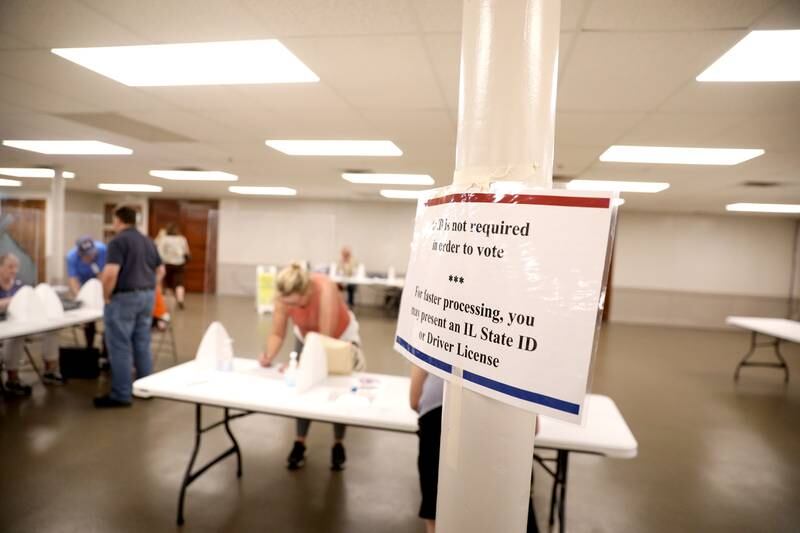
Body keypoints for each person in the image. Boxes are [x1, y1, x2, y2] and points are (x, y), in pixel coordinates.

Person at [259, 262, 365, 471]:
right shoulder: (284, 295)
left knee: (340, 387)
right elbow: (277, 333)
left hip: (338, 336)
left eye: (295, 304)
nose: (289, 307)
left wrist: (301, 363)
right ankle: (300, 441)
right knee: (303, 386)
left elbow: (324, 340)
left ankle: (338, 443)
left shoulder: (325, 288)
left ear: (304, 292)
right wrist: (268, 355)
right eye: (286, 304)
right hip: (307, 336)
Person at [410, 367, 539, 533]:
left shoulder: (436, 342)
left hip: (438, 423)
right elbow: (533, 428)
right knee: (507, 512)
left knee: (437, 513)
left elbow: (414, 400)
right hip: (502, 419)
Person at [95, 206, 164, 408]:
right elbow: (160, 270)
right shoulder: (148, 241)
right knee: (142, 342)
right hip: (146, 296)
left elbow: (110, 273)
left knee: (120, 345)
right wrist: (151, 287)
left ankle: (121, 394)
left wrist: (106, 296)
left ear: (118, 220)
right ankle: (145, 388)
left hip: (124, 298)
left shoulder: (118, 241)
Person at [0, 253, 64, 397]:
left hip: (24, 324)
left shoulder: (19, 285)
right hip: (5, 329)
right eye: (10, 267)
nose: (14, 270)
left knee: (51, 330)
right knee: (15, 335)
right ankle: (12, 379)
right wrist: (13, 301)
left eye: (16, 267)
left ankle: (50, 370)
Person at [66, 235, 107, 348]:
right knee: (89, 319)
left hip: (100, 282)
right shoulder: (71, 257)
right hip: (84, 286)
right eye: (86, 255)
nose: (90, 257)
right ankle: (89, 347)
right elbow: (73, 281)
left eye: (92, 254)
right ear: (80, 254)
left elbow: (105, 275)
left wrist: (105, 295)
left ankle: (106, 350)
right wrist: (81, 299)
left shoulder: (103, 250)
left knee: (107, 317)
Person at [156, 222, 190, 310]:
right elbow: (186, 252)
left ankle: (166, 304)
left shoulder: (164, 239)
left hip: (167, 264)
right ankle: (180, 300)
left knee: (167, 284)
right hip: (179, 264)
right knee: (179, 283)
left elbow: (159, 252)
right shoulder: (182, 239)